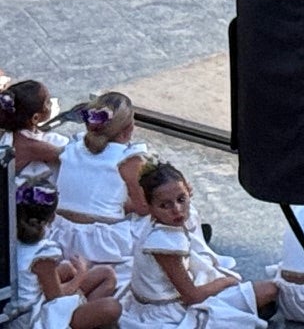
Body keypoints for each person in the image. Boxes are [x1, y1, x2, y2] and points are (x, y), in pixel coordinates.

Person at [124, 161, 277, 327]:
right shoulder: (163, 243)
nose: (176, 209)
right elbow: (192, 297)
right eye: (164, 205)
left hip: (177, 298)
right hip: (170, 313)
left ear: (189, 192)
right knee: (266, 292)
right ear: (150, 208)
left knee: (268, 291)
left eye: (181, 199)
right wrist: (225, 282)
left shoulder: (163, 223)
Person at [55, 94, 147, 289]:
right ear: (129, 128)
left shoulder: (73, 145)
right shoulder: (129, 158)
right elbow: (143, 208)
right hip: (102, 245)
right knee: (161, 212)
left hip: (58, 235)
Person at [14, 181, 124, 329]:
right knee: (112, 307)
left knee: (103, 273)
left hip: (32, 300)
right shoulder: (43, 252)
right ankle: (84, 319)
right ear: (53, 216)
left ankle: (85, 316)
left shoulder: (11, 238)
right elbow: (56, 298)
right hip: (34, 319)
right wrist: (81, 273)